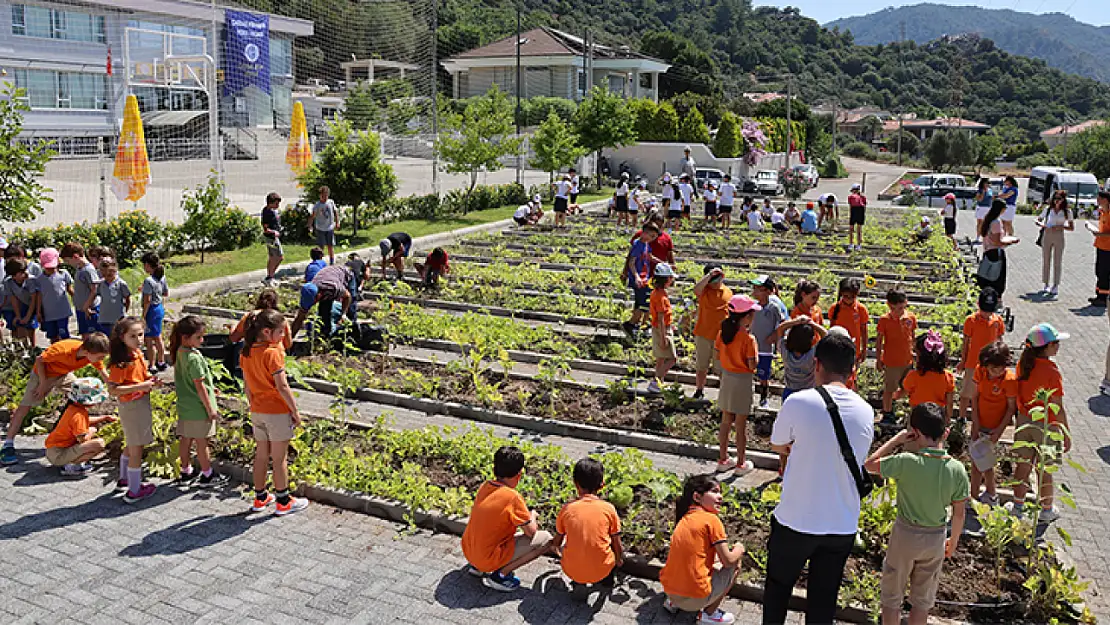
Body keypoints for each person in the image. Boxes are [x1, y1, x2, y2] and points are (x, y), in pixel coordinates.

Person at [765, 333, 874, 625]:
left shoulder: (799, 402)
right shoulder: (866, 411)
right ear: (853, 371)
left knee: (778, 589)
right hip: (841, 524)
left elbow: (777, 444)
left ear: (816, 364)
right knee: (823, 600)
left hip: (796, 519)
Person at [863, 403, 969, 625]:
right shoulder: (957, 469)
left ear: (915, 432)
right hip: (936, 537)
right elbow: (959, 513)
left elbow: (869, 465)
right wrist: (954, 540)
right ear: (946, 433)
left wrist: (897, 440)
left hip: (905, 534)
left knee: (892, 597)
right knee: (922, 601)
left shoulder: (906, 462)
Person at [0, 334, 109, 465]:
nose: (101, 359)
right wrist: (42, 384)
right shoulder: (62, 351)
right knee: (25, 406)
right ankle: (8, 444)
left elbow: (103, 372)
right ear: (86, 351)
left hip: (63, 374)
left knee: (81, 395)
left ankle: (68, 434)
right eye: (100, 357)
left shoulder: (92, 354)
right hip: (43, 374)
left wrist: (112, 385)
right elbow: (40, 360)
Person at [241, 309, 308, 516]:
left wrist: (252, 403)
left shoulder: (247, 351)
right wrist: (294, 411)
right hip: (276, 411)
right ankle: (283, 500)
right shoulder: (273, 353)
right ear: (268, 332)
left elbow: (247, 385)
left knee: (261, 455)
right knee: (279, 459)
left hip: (257, 410)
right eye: (281, 332)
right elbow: (282, 386)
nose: (283, 337)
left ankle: (260, 498)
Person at [461, 445, 554, 591]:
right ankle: (500, 576)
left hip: (469, 551)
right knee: (546, 538)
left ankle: (477, 567)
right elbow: (531, 532)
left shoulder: (485, 486)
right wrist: (533, 516)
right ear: (519, 474)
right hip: (488, 558)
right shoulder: (512, 497)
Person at [659, 474, 744, 625]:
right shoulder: (711, 520)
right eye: (715, 491)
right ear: (697, 497)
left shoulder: (684, 518)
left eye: (721, 493)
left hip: (671, 592)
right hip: (694, 598)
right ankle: (709, 615)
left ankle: (673, 603)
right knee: (736, 564)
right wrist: (739, 548)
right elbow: (729, 561)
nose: (720, 497)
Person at [1011, 323, 1070, 524]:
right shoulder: (1052, 372)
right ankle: (1046, 509)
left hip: (1025, 421)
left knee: (1023, 465)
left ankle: (1017, 505)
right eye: (1055, 343)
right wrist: (1065, 432)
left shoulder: (1023, 365)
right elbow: (1058, 407)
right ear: (1045, 347)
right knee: (1044, 469)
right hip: (1047, 425)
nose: (1058, 346)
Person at [108, 316, 162, 503]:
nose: (139, 339)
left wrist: (150, 380)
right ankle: (134, 489)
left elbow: (142, 375)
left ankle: (125, 479)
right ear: (122, 337)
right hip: (132, 406)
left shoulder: (137, 354)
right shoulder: (121, 362)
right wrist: (140, 387)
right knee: (136, 448)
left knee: (131, 443)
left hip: (139, 403)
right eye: (133, 336)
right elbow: (113, 389)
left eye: (140, 334)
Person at [170, 315, 228, 487]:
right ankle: (207, 474)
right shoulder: (194, 358)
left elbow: (190, 381)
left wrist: (212, 388)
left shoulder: (179, 352)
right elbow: (199, 386)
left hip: (185, 406)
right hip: (198, 407)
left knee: (185, 439)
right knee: (202, 442)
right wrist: (210, 409)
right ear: (185, 337)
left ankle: (185, 470)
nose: (202, 340)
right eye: (199, 337)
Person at [554, 458, 623, 587]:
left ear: (575, 483)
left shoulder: (567, 509)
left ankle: (578, 579)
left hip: (571, 570)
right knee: (609, 544)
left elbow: (557, 542)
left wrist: (557, 549)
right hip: (602, 569)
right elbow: (616, 542)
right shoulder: (608, 509)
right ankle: (607, 580)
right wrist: (619, 559)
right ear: (602, 485)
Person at [715, 295, 761, 474]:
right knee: (741, 425)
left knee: (726, 421)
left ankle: (723, 459)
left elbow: (718, 354)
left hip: (727, 378)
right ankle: (741, 463)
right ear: (746, 317)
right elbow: (752, 365)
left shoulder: (723, 333)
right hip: (742, 381)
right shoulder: (749, 339)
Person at [969, 341, 1016, 505]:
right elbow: (974, 397)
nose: (996, 372)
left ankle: (977, 496)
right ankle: (987, 493)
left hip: (993, 428)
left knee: (981, 463)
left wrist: (999, 431)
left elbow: (1011, 408)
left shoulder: (1009, 380)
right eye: (992, 369)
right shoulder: (979, 371)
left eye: (1000, 368)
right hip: (979, 423)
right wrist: (975, 423)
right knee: (980, 461)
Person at [44, 377, 116, 477]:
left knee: (92, 430)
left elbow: (84, 421)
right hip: (58, 455)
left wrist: (104, 418)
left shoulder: (73, 408)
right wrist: (92, 431)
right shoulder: (78, 415)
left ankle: (71, 462)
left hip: (54, 451)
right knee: (99, 444)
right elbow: (83, 439)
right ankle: (71, 466)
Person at [956, 288, 1005, 424]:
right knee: (966, 392)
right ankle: (961, 416)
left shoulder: (997, 321)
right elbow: (966, 343)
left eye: (989, 310)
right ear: (978, 305)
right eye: (984, 310)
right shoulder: (971, 321)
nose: (986, 313)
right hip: (973, 363)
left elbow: (1000, 340)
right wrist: (963, 361)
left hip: (990, 364)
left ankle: (981, 418)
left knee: (985, 393)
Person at [875, 289, 917, 425]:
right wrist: (878, 359)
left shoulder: (910, 318)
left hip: (907, 360)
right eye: (896, 308)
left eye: (902, 308)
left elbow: (913, 337)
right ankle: (887, 412)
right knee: (889, 388)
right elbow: (879, 340)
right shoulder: (884, 320)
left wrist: (916, 353)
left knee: (907, 387)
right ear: (889, 305)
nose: (900, 311)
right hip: (891, 362)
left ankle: (893, 402)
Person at [896, 331, 956, 423]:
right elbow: (950, 403)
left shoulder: (913, 376)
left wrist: (892, 396)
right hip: (937, 417)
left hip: (917, 417)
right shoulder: (948, 377)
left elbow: (902, 393)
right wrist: (948, 418)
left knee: (913, 435)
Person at [693, 266, 733, 400]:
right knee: (701, 365)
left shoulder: (728, 292)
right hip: (703, 334)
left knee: (721, 367)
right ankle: (699, 390)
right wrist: (709, 275)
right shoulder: (704, 291)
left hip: (721, 337)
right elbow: (696, 289)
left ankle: (724, 393)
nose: (716, 282)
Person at [750, 275, 786, 409]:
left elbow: (781, 324)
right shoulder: (753, 307)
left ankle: (764, 397)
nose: (755, 292)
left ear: (768, 291)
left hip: (766, 347)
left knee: (764, 374)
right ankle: (750, 395)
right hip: (752, 345)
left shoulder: (774, 308)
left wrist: (774, 336)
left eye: (758, 289)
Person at [775, 317, 826, 401]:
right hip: (808, 392)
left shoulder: (785, 350)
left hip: (789, 391)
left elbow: (780, 328)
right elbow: (825, 335)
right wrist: (812, 323)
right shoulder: (812, 354)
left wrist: (796, 322)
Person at [1035, 190, 1074, 298]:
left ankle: (1056, 285)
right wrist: (1042, 225)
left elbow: (1071, 227)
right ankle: (1046, 283)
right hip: (1047, 234)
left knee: (1057, 261)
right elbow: (1038, 219)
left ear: (1063, 200)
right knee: (1046, 260)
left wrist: (1061, 227)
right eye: (1055, 199)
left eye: (1059, 199)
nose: (1057, 201)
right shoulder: (1048, 210)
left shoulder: (1067, 211)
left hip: (1059, 235)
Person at [622, 225, 659, 338]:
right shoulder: (638, 245)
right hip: (639, 280)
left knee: (643, 302)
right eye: (651, 235)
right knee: (643, 303)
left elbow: (650, 256)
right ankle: (633, 324)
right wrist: (636, 276)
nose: (652, 239)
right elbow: (631, 262)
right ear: (643, 233)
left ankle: (638, 324)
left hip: (645, 279)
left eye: (654, 237)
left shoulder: (646, 245)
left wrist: (663, 263)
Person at [60, 242, 101, 340]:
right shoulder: (79, 268)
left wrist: (86, 306)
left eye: (68, 261)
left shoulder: (88, 270)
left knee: (93, 337)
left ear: (75, 256)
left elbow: (94, 290)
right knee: (85, 334)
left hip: (90, 309)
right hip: (81, 309)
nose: (68, 264)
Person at [826, 278, 869, 369]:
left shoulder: (861, 309)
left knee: (852, 376)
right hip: (838, 349)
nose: (849, 299)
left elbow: (864, 331)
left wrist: (864, 350)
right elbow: (832, 330)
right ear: (841, 293)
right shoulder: (835, 309)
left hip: (854, 350)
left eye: (852, 297)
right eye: (846, 296)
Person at [230, 289, 294, 350]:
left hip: (251, 355)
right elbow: (288, 344)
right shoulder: (280, 319)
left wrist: (232, 327)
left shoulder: (250, 316)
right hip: (273, 354)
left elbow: (234, 338)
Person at [978, 199, 1018, 298]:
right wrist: (1010, 241)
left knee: (986, 276)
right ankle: (994, 299)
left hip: (987, 251)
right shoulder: (996, 222)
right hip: (996, 252)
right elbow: (997, 242)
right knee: (996, 279)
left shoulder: (988, 219)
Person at [648, 263, 677, 394]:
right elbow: (660, 319)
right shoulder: (660, 297)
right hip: (661, 329)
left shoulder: (657, 293)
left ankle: (660, 382)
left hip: (661, 327)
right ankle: (656, 381)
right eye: (671, 278)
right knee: (672, 358)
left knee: (660, 358)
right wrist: (664, 336)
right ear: (666, 279)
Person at [35, 247, 74, 343]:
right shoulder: (39, 279)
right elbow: (39, 296)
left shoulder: (63, 274)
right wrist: (38, 311)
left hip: (62, 311)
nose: (50, 270)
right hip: (49, 313)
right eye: (47, 268)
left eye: (52, 267)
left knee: (64, 334)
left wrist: (79, 301)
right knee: (52, 336)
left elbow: (70, 289)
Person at [140, 252, 169, 373]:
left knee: (148, 339)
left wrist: (143, 316)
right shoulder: (162, 277)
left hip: (151, 310)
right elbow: (165, 293)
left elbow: (147, 301)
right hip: (159, 308)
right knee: (158, 337)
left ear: (147, 265)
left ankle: (151, 365)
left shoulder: (148, 280)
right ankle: (161, 361)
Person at [311, 264, 355, 338]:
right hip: (328, 277)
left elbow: (347, 296)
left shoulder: (333, 288)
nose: (313, 302)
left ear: (319, 294)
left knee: (351, 307)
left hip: (346, 273)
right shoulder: (311, 289)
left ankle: (351, 333)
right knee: (324, 313)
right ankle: (326, 336)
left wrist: (343, 314)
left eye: (314, 299)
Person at [1086, 189, 1110, 307]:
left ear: (1105, 200)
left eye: (1099, 199)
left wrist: (1099, 234)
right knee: (1099, 271)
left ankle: (1104, 298)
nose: (1097, 201)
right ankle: (1099, 295)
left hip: (1108, 248)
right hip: (1100, 246)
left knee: (1104, 273)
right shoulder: (1102, 212)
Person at [96, 258, 130, 337]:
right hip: (103, 318)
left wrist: (124, 312)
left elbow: (127, 299)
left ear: (114, 271)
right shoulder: (101, 284)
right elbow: (96, 295)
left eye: (109, 275)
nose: (107, 277)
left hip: (117, 318)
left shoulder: (121, 284)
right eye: (104, 275)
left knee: (116, 338)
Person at [310, 186, 339, 264]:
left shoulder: (331, 202)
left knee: (330, 246)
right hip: (320, 228)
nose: (324, 197)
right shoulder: (317, 205)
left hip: (329, 227)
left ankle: (332, 262)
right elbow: (313, 215)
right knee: (321, 247)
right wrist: (310, 225)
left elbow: (335, 212)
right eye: (323, 196)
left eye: (326, 195)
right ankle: (320, 262)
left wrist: (337, 222)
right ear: (320, 195)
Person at [261, 191, 284, 285]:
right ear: (271, 202)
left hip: (273, 237)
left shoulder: (272, 211)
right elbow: (265, 228)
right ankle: (270, 276)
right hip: (271, 238)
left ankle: (270, 276)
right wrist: (274, 232)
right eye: (276, 203)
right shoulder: (267, 212)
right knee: (279, 257)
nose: (278, 205)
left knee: (272, 257)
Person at [974, 178, 994, 244]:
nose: (987, 184)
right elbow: (979, 200)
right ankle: (978, 237)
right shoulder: (980, 190)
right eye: (986, 183)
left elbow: (992, 198)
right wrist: (983, 193)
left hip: (988, 208)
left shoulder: (990, 190)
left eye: (988, 183)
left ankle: (986, 237)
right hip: (980, 207)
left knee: (987, 223)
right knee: (980, 223)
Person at [847, 183, 867, 251]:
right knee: (856, 229)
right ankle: (856, 244)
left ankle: (854, 244)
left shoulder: (852, 197)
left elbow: (850, 206)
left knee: (854, 229)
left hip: (856, 211)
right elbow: (864, 207)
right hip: (858, 212)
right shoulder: (861, 197)